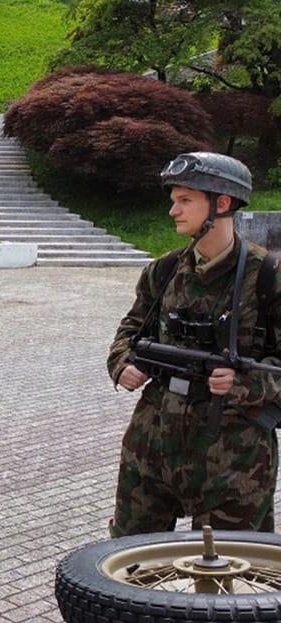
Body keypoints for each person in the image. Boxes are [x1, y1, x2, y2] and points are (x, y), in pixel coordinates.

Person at [107, 151, 280, 537]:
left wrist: (244, 384)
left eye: (185, 200)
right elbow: (130, 330)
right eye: (173, 200)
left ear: (221, 204)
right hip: (153, 441)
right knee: (131, 558)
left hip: (235, 454)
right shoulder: (164, 270)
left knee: (234, 570)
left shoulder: (268, 277)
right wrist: (122, 363)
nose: (173, 210)